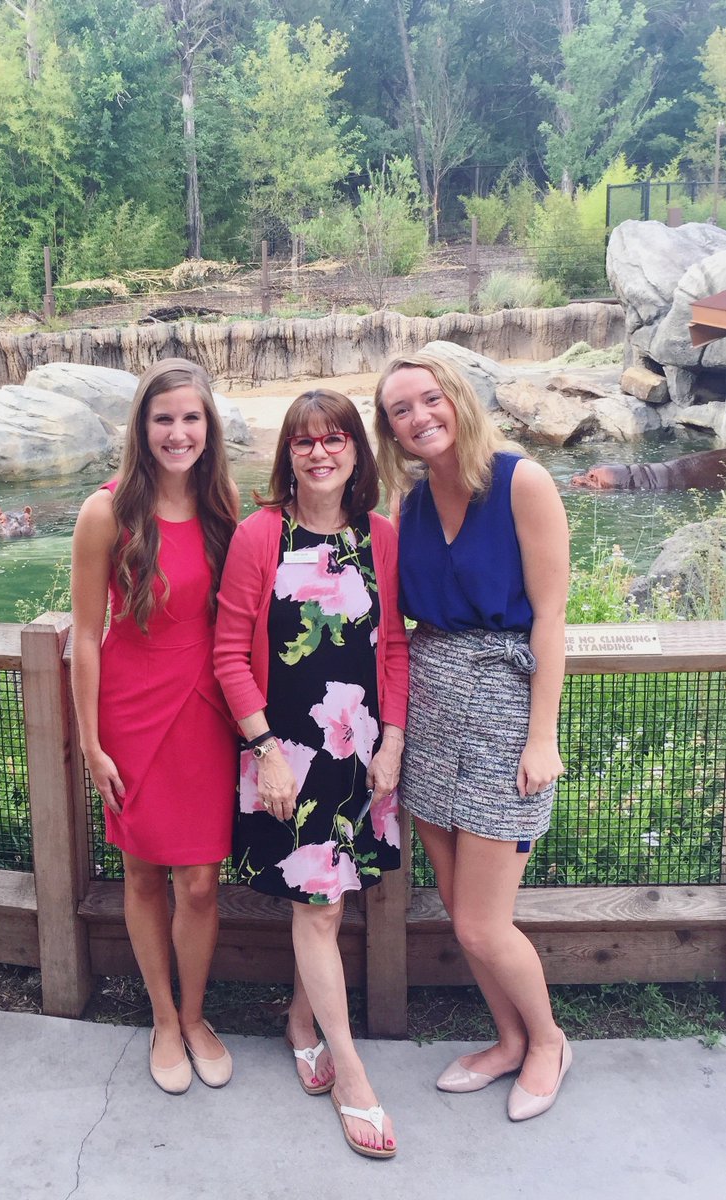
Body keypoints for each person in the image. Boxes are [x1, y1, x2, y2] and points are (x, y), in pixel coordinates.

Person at [374, 350, 571, 1122]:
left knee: (485, 923)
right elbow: (394, 624)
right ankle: (506, 1041)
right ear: (388, 429)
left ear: (455, 398)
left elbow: (552, 618)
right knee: (462, 914)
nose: (419, 417)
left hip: (501, 710)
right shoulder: (409, 506)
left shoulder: (521, 481)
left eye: (429, 399)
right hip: (428, 713)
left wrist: (541, 736)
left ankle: (548, 1041)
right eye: (399, 410)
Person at [214, 390, 409, 1159]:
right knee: (320, 908)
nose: (319, 452)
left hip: (358, 751)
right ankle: (353, 1072)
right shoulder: (261, 534)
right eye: (303, 442)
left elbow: (393, 646)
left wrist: (391, 741)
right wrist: (263, 749)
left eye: (334, 439)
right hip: (285, 760)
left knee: (326, 902)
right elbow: (228, 653)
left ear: (356, 452)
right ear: (286, 455)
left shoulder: (379, 537)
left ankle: (301, 1019)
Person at [70, 358, 239, 1095]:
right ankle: (163, 1020)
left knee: (200, 881)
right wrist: (90, 743)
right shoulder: (105, 511)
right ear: (142, 427)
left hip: (208, 713)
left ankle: (196, 1015)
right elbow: (84, 631)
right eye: (163, 418)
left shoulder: (223, 505)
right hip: (132, 714)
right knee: (142, 873)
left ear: (209, 427)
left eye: (191, 418)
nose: (178, 432)